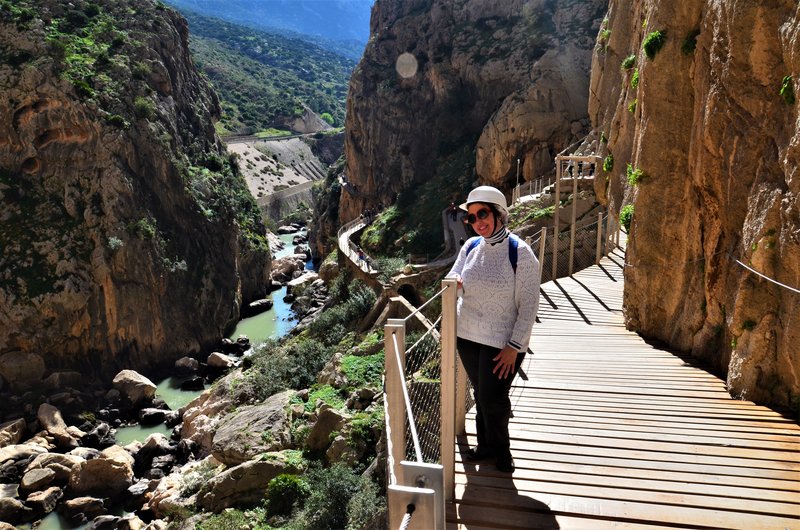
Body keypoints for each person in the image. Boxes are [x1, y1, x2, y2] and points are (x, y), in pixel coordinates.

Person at [446, 185, 540, 473]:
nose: (477, 223)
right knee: (481, 393)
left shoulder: (520, 254)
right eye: (471, 218)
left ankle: (501, 451)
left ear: (499, 213)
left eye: (482, 214)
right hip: (467, 336)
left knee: (492, 397)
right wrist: (456, 284)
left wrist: (515, 347)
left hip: (502, 342)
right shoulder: (471, 247)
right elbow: (453, 275)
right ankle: (485, 445)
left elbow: (529, 307)